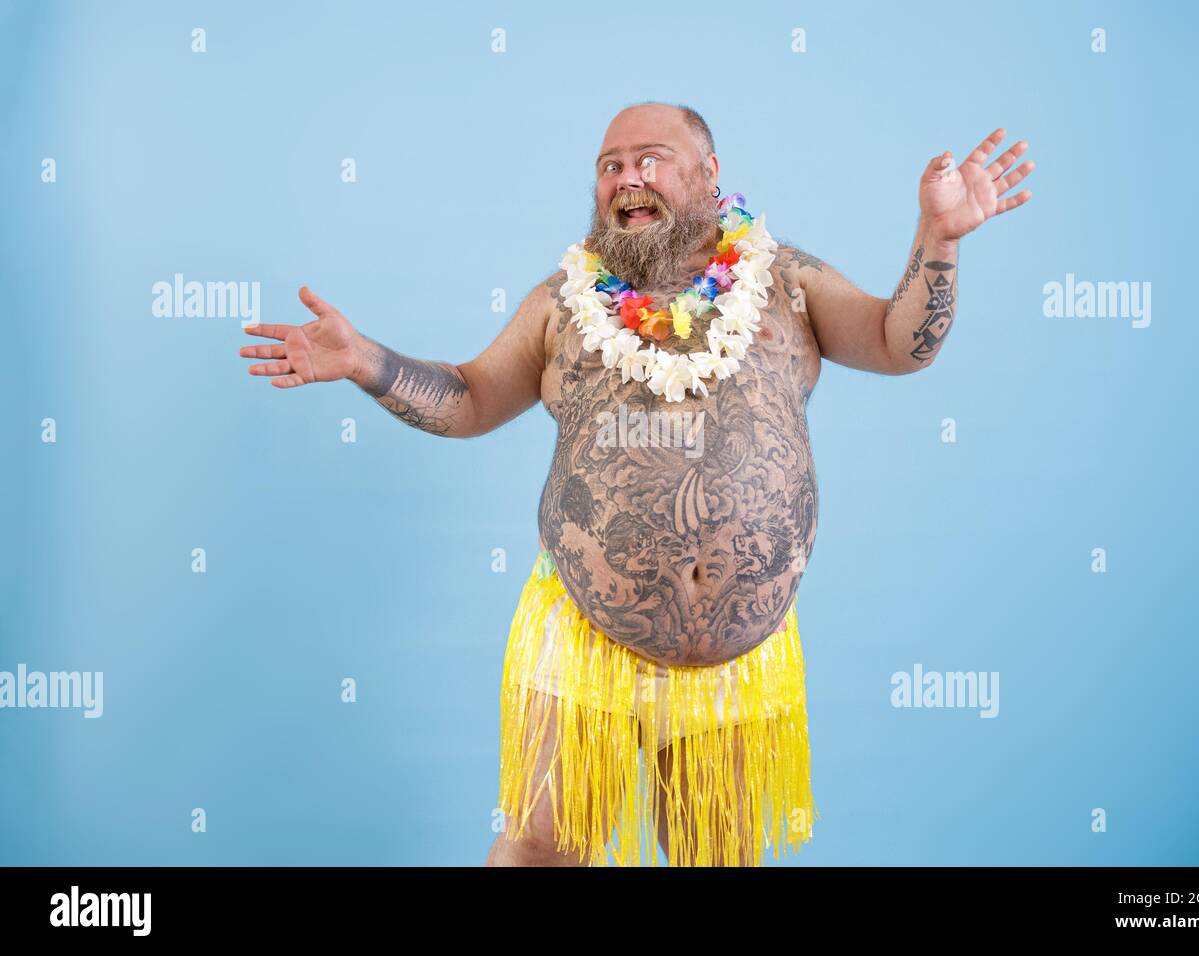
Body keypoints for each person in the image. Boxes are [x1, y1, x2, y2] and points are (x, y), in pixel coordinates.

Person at [238, 102, 1033, 866]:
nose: (625, 178)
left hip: (736, 659)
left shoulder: (787, 280)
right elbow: (474, 398)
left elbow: (903, 344)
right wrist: (365, 361)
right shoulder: (563, 305)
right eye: (608, 166)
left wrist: (939, 239)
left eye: (648, 158)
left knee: (714, 857)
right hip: (585, 637)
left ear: (710, 172)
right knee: (544, 851)